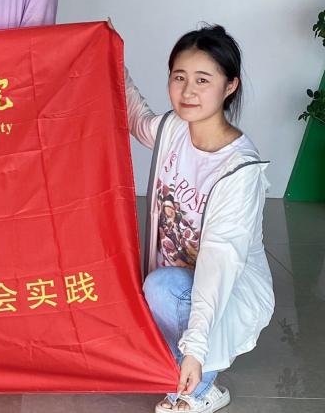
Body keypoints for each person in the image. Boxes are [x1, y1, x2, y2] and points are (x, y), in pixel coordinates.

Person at [123, 24, 273, 412]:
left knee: (162, 287)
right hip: (177, 280)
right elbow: (137, 118)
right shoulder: (173, 129)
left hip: (225, 287)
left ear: (230, 86)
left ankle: (202, 385)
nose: (188, 91)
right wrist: (109, 58)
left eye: (203, 80)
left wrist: (195, 351)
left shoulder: (237, 170)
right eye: (179, 77)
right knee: (155, 286)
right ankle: (182, 359)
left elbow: (219, 262)